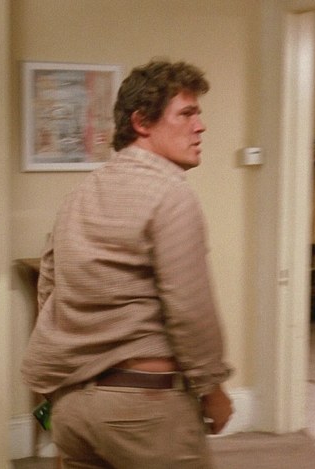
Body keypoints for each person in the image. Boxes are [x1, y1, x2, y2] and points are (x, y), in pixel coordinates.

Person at [21, 59, 233, 468]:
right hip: (145, 409)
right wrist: (213, 389)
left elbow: (48, 290)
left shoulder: (79, 195)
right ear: (141, 122)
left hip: (72, 410)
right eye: (187, 114)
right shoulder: (170, 195)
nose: (200, 126)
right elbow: (190, 309)